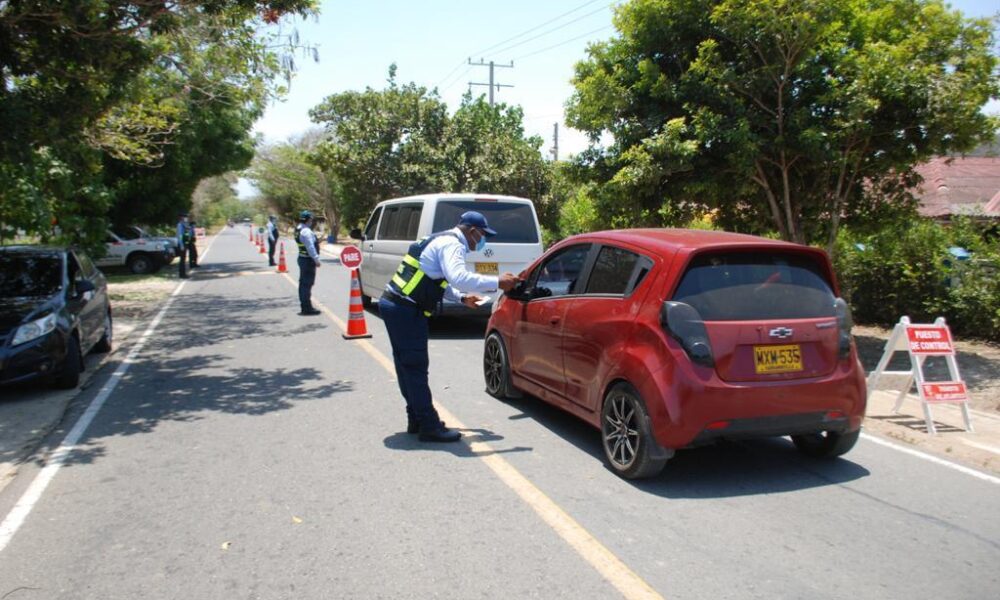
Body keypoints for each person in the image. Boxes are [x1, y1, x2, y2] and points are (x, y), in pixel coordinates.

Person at [378, 211, 520, 443]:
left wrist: (462, 299)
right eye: (482, 235)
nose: (483, 241)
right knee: (414, 367)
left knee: (406, 367)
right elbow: (459, 277)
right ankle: (429, 425)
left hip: (396, 306)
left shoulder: (438, 239)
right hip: (406, 310)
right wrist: (498, 282)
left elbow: (437, 280)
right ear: (472, 231)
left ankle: (416, 417)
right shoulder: (452, 245)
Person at [294, 210, 321, 315]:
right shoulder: (306, 231)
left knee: (303, 284)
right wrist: (316, 259)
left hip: (302, 258)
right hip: (308, 260)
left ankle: (305, 306)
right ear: (308, 220)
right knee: (307, 284)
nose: (312, 221)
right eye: (311, 219)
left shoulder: (298, 229)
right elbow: (310, 247)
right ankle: (307, 308)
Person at [176, 212, 189, 279]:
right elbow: (180, 236)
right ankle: (182, 274)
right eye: (185, 217)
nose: (186, 218)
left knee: (183, 259)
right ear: (181, 217)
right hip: (182, 244)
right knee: (182, 260)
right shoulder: (179, 225)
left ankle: (183, 273)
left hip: (184, 243)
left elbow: (186, 234)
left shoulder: (184, 225)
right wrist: (181, 245)